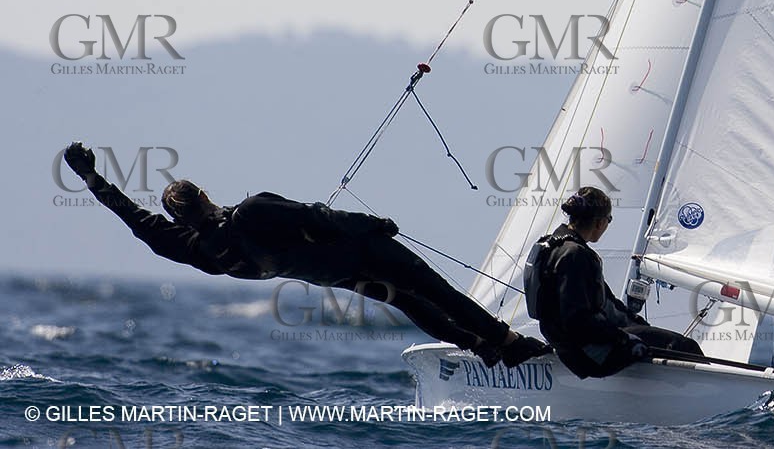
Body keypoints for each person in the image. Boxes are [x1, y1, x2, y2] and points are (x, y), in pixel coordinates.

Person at [62, 141, 548, 368]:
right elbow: (321, 217)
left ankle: (482, 347)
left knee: (408, 301)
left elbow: (130, 215)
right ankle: (508, 343)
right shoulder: (251, 212)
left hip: (333, 274)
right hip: (361, 250)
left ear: (176, 220)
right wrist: (375, 224)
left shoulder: (196, 250)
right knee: (434, 291)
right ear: (205, 194)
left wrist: (89, 177)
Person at [528, 186, 703, 378]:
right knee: (684, 346)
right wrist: (623, 338)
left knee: (647, 335)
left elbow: (606, 305)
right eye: (609, 220)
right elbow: (577, 319)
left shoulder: (548, 246)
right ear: (599, 222)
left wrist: (641, 328)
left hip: (566, 349)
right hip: (590, 356)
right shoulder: (576, 255)